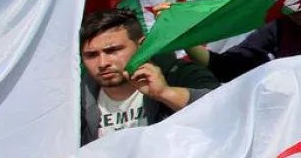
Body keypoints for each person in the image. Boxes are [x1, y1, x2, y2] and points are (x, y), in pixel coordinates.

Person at [78, 9, 219, 144]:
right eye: (91, 55)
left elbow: (224, 110)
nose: (103, 63)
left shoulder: (181, 74)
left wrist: (166, 93)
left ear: (141, 46)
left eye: (113, 50)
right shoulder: (74, 99)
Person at [184, 0, 301, 82]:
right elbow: (225, 67)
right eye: (292, 9)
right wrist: (183, 38)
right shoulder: (277, 26)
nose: (300, 13)